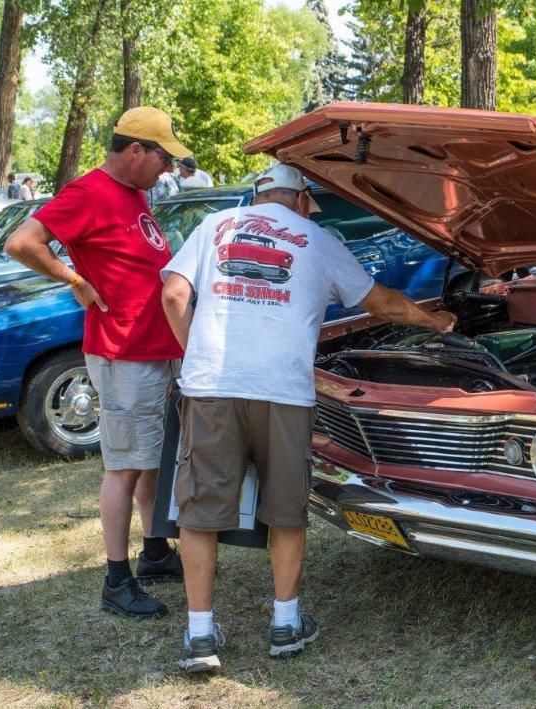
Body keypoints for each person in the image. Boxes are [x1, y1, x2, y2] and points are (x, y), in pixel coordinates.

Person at [161, 164, 456, 673]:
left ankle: (200, 636)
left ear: (257, 196)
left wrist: (196, 356)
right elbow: (380, 303)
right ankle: (285, 623)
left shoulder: (213, 226)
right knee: (285, 509)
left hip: (212, 388)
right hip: (284, 390)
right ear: (300, 201)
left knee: (200, 512)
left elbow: (172, 294)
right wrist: (437, 319)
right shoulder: (316, 239)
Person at [5, 106, 194, 619]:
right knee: (125, 466)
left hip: (154, 348)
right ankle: (116, 580)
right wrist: (74, 279)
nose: (167, 169)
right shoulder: (88, 192)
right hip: (122, 351)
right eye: (162, 158)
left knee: (151, 456)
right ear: (136, 150)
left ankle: (154, 549)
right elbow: (22, 242)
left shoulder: (135, 194)